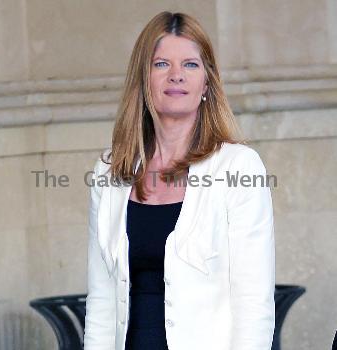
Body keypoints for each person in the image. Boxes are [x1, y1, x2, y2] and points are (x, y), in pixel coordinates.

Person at [84, 11, 275, 350]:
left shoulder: (239, 166)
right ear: (143, 80)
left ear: (207, 82)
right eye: (161, 64)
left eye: (190, 64)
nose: (176, 76)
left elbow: (253, 302)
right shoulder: (109, 172)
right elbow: (101, 299)